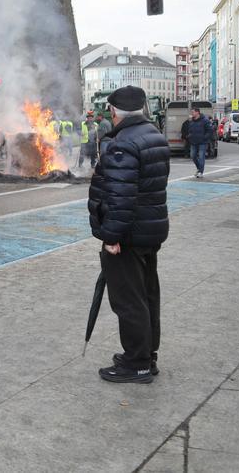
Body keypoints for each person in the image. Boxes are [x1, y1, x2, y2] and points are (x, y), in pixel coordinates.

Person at [88, 85, 170, 384]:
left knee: (129, 301)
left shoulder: (122, 144)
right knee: (147, 296)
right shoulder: (154, 136)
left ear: (114, 111)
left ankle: (136, 364)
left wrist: (111, 237)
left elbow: (120, 197)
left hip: (128, 236)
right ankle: (146, 355)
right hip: (150, 229)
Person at [181, 107, 213, 178]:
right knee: (193, 156)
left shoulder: (205, 120)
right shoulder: (191, 121)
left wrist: (205, 137)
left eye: (193, 112)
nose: (192, 113)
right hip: (193, 142)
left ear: (197, 112)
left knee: (201, 156)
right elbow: (190, 130)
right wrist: (189, 136)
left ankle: (200, 172)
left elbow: (210, 130)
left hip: (202, 142)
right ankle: (199, 169)